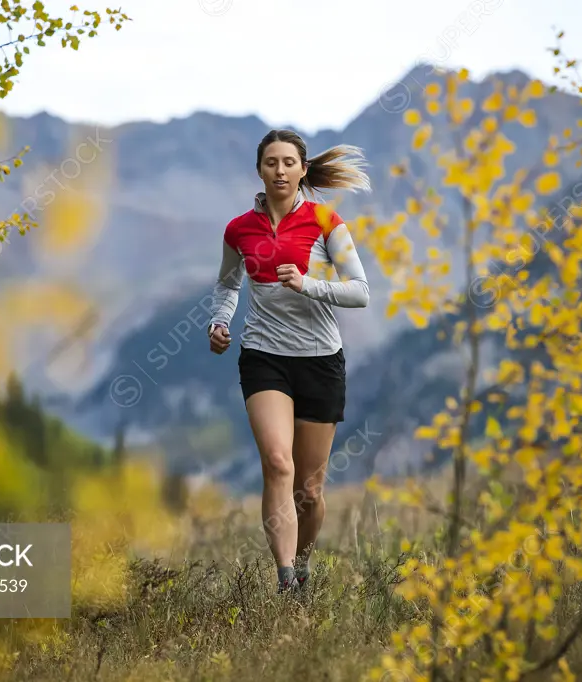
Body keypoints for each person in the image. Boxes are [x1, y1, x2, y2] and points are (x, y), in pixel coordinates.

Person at [206, 128, 371, 594]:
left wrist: (307, 284)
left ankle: (301, 564)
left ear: (303, 170)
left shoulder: (326, 221)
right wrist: (219, 322)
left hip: (320, 361)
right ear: (259, 169)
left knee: (310, 492)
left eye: (288, 163)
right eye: (271, 162)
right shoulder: (239, 229)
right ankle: (285, 582)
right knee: (279, 465)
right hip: (263, 357)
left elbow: (360, 292)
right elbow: (227, 285)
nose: (279, 170)